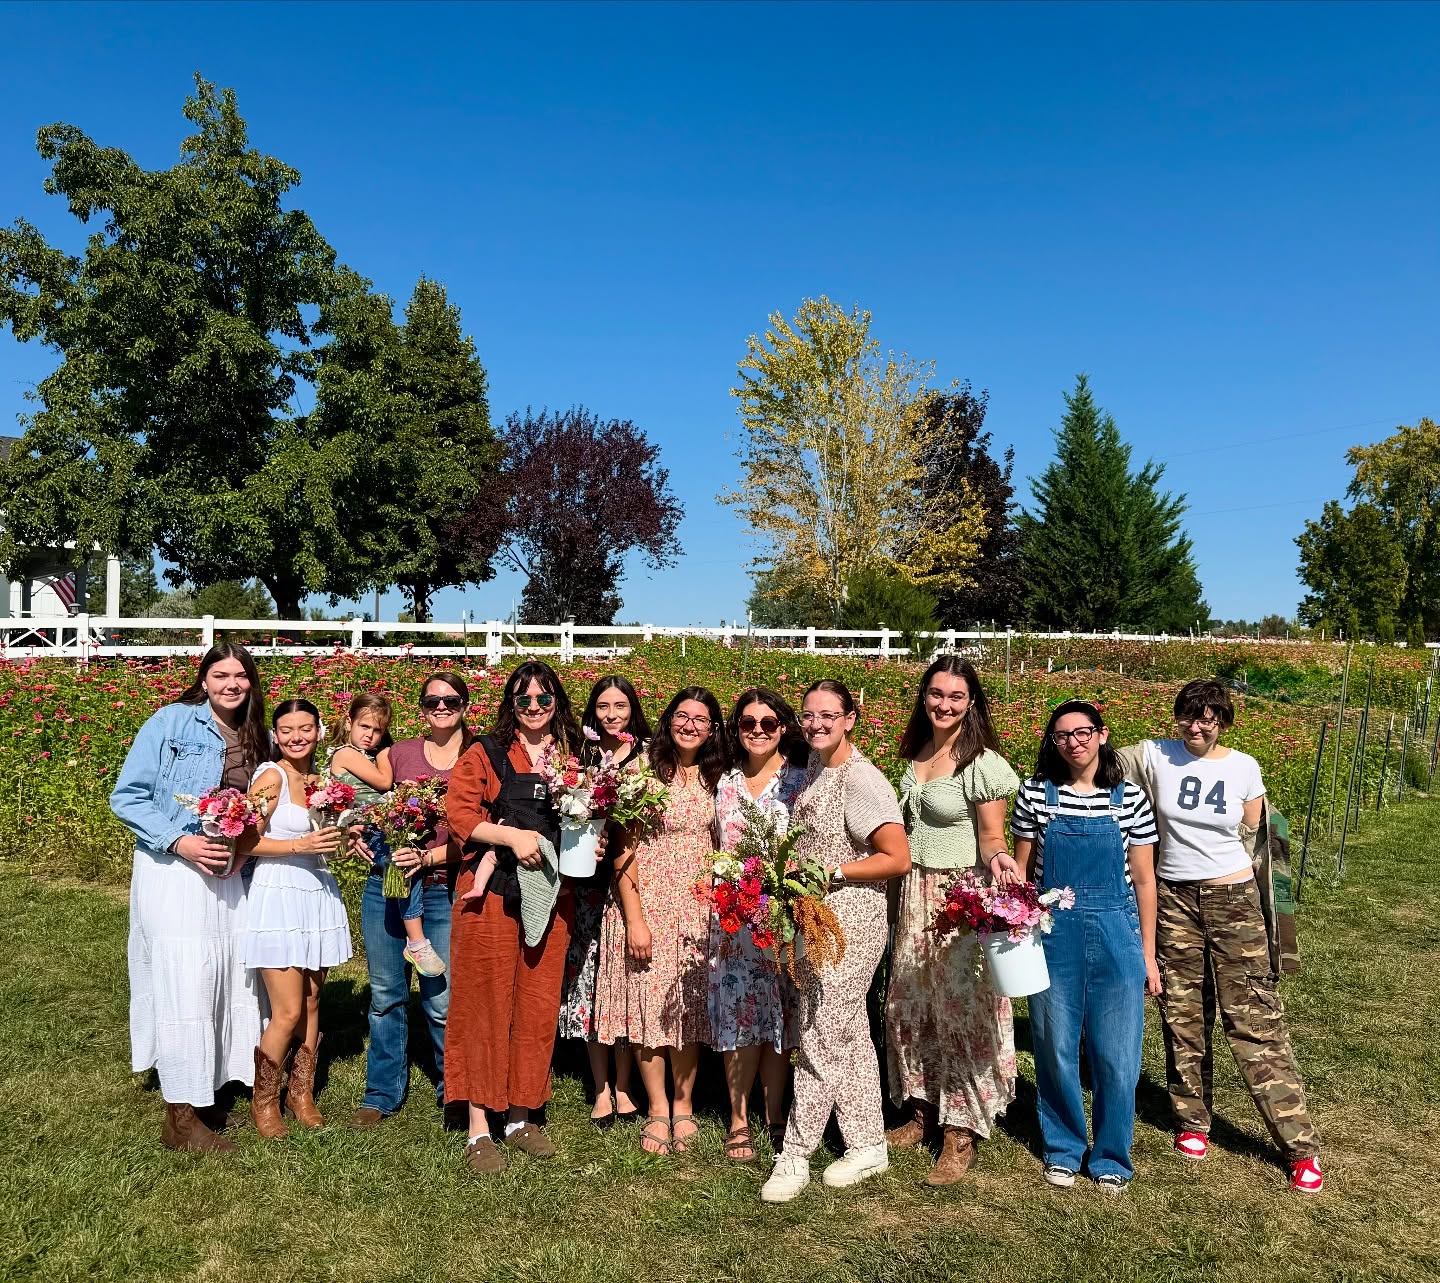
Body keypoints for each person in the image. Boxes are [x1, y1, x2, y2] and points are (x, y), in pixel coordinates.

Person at [1116, 679, 1324, 1194]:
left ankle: (1298, 1146)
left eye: (1208, 717)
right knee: (1183, 1012)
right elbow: (1096, 756)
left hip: (1233, 902)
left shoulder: (1243, 767)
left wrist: (1281, 925)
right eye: (1188, 716)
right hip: (1173, 901)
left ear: (1223, 721)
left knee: (1252, 1017)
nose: (1196, 726)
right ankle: (1192, 1120)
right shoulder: (1155, 755)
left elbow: (1261, 840)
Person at [111, 643, 270, 1154]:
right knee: (184, 981)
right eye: (219, 674)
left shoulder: (257, 737)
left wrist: (243, 854)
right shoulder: (172, 722)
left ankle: (211, 1089)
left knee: (227, 977)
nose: (230, 684)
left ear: (251, 682)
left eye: (240, 675)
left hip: (228, 874)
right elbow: (127, 795)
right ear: (203, 680)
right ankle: (180, 1117)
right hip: (173, 870)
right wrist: (180, 841)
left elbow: (261, 810)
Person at [998, 699, 1160, 1193]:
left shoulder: (1129, 798)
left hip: (1117, 932)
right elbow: (1022, 872)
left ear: (1102, 734)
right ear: (1053, 742)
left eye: (1083, 731)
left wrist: (1148, 956)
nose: (1074, 741)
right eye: (1063, 735)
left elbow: (1146, 880)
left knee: (1118, 1053)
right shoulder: (1034, 794)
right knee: (1055, 1044)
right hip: (1053, 933)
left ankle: (1112, 1155)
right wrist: (1016, 931)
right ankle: (1065, 1147)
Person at [761, 680, 911, 1204]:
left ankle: (795, 1153)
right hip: (818, 923)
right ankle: (868, 1143)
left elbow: (897, 857)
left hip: (852, 926)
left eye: (828, 715)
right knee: (844, 1034)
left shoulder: (862, 780)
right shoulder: (817, 772)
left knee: (822, 1033)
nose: (817, 723)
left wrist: (833, 871)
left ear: (850, 718)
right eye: (809, 715)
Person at [884, 657, 1022, 1185]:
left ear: (971, 703)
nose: (944, 704)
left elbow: (990, 836)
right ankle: (922, 1109)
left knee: (963, 1007)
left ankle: (961, 1130)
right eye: (936, 693)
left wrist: (999, 860)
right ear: (924, 697)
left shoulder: (981, 762)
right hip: (912, 890)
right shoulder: (914, 752)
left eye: (956, 696)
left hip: (958, 892)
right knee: (911, 1001)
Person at [445, 661, 580, 1174]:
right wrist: (510, 837)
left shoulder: (574, 756)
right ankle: (479, 1125)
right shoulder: (485, 751)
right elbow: (460, 815)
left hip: (552, 895)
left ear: (556, 703)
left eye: (543, 700)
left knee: (537, 1004)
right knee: (485, 1003)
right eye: (523, 700)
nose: (534, 710)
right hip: (492, 898)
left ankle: (522, 1115)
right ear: (510, 704)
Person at [595, 686, 727, 1156]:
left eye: (701, 718)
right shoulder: (642, 771)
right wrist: (635, 919)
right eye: (682, 716)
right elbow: (622, 850)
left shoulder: (719, 777)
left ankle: (685, 1105)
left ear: (713, 728)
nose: (690, 725)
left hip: (697, 907)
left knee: (685, 1011)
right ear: (668, 720)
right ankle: (656, 1108)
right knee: (649, 1009)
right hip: (647, 901)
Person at [350, 672, 469, 1129]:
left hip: (441, 887)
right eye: (432, 701)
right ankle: (381, 1092)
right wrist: (355, 831)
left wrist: (429, 856)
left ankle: (453, 1089)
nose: (441, 707)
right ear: (421, 708)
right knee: (384, 995)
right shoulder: (396, 755)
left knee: (441, 997)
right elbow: (367, 804)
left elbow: (482, 833)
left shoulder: (478, 756)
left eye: (451, 700)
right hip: (387, 885)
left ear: (464, 705)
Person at [240, 698, 350, 1137]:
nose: (296, 737)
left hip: (316, 891)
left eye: (305, 728)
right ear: (275, 735)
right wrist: (298, 847)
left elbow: (324, 837)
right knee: (285, 1010)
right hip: (278, 893)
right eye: (286, 730)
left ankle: (300, 1091)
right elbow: (244, 841)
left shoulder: (321, 780)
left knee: (311, 1001)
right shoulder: (272, 777)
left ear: (319, 731)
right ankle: (263, 1100)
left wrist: (345, 834)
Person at [709, 686, 808, 1162]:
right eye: (748, 723)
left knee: (780, 1015)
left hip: (783, 918)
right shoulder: (725, 783)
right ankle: (738, 1118)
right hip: (733, 920)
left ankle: (775, 1114)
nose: (758, 731)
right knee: (739, 1017)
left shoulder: (800, 779)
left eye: (768, 723)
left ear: (783, 728)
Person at [558, 675, 650, 1128]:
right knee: (589, 986)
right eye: (602, 707)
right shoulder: (579, 759)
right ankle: (600, 1088)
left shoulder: (649, 758)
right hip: (589, 886)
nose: (611, 715)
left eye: (620, 706)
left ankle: (626, 1084)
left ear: (633, 709)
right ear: (591, 713)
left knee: (625, 983)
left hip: (634, 883)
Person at [329, 694, 446, 979]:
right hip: (371, 828)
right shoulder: (346, 753)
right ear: (349, 722)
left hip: (384, 826)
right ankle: (416, 941)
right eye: (364, 727)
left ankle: (414, 940)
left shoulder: (366, 755)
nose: (370, 736)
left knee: (404, 865)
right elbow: (383, 781)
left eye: (377, 730)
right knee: (404, 864)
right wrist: (386, 752)